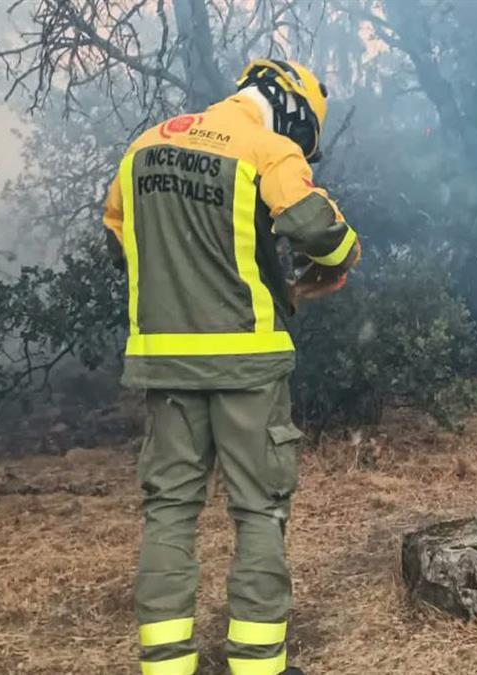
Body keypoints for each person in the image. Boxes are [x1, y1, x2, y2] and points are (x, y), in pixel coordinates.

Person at [102, 59, 360, 675]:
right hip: (246, 366)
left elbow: (118, 238)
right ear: (292, 110)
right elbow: (317, 230)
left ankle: (167, 667)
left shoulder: (144, 147)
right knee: (260, 511)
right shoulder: (267, 150)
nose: (301, 146)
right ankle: (256, 665)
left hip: (164, 367)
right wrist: (339, 257)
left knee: (169, 511)